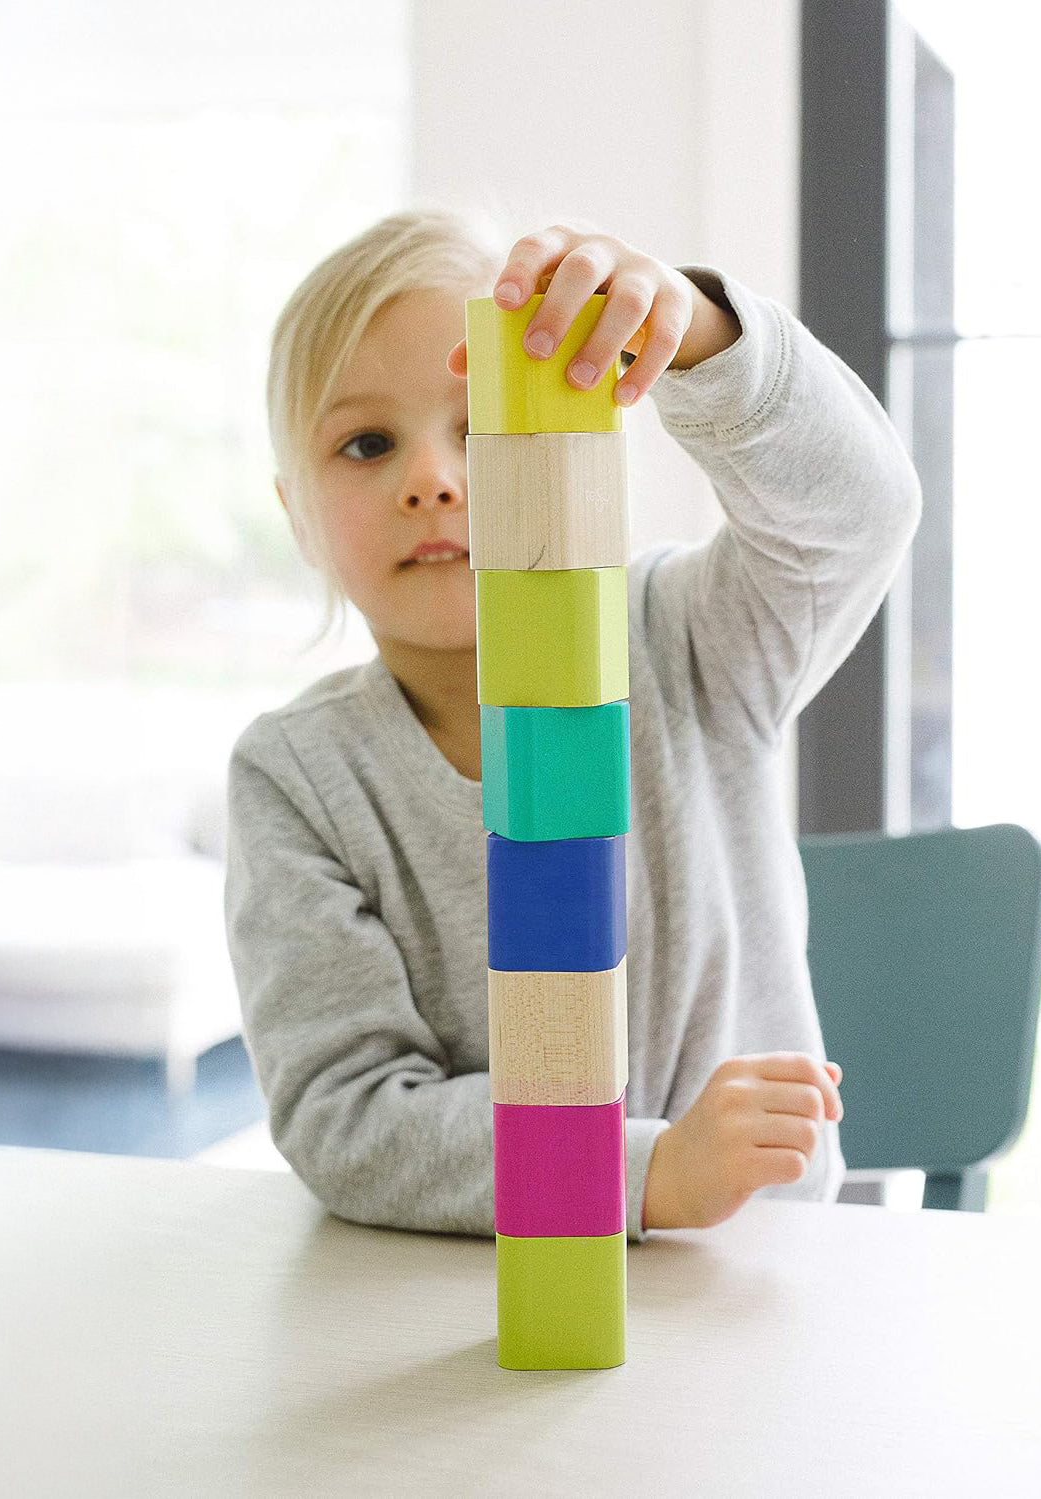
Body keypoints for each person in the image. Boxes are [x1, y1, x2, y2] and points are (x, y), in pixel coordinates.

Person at [223, 201, 922, 1242]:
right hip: (462, 1291)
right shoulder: (297, 774)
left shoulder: (685, 641)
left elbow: (856, 512)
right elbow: (349, 1114)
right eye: (366, 443)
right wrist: (642, 1168)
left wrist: (700, 338)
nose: (431, 479)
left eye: (481, 425)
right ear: (298, 515)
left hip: (755, 1265)